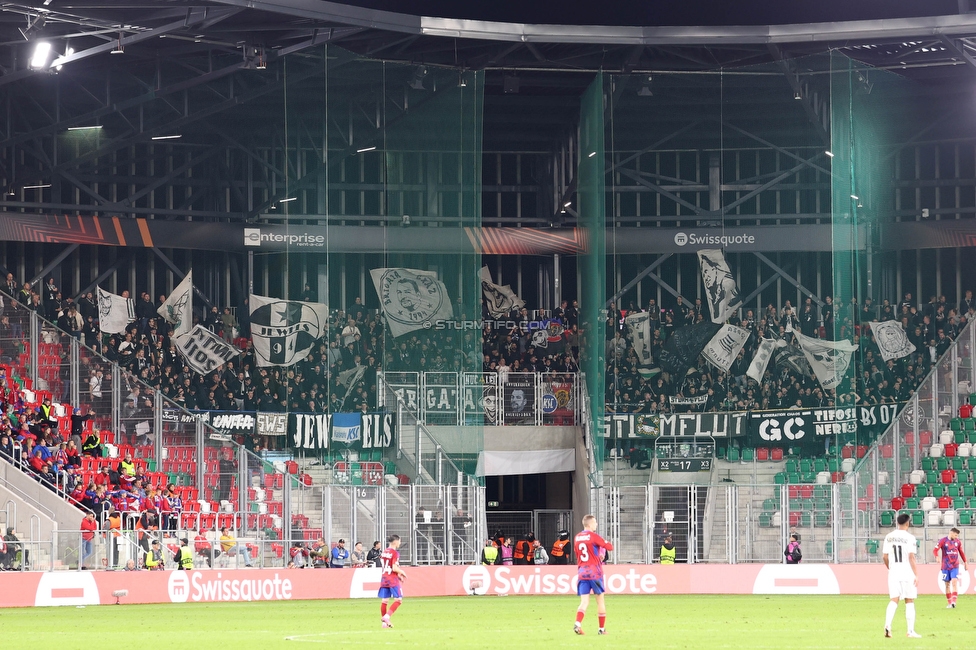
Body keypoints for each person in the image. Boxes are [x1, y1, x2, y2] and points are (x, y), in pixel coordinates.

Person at [573, 514, 613, 636]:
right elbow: (610, 547)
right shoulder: (594, 536)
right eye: (595, 522)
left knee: (584, 602)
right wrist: (601, 549)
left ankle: (578, 624)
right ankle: (601, 629)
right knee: (600, 601)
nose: (596, 524)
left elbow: (578, 553)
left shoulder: (577, 537)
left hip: (582, 572)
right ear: (590, 524)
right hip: (595, 573)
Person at [883, 513, 921, 638]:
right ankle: (910, 631)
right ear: (907, 523)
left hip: (893, 572)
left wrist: (890, 567)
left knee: (894, 599)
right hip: (907, 572)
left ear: (897, 523)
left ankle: (887, 625)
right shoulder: (910, 537)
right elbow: (911, 557)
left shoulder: (889, 536)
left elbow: (885, 556)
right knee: (909, 600)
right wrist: (916, 574)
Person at [933, 527, 967, 608]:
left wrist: (965, 562)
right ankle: (949, 603)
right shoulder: (943, 540)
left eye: (957, 536)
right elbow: (935, 550)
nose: (956, 537)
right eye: (955, 535)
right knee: (947, 584)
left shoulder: (958, 542)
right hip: (945, 566)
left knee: (954, 582)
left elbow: (961, 552)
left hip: (955, 565)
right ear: (951, 533)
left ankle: (953, 603)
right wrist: (937, 556)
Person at [379, 534, 408, 629]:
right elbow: (394, 567)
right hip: (392, 579)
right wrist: (402, 572)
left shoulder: (384, 551)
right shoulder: (395, 553)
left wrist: (397, 574)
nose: (400, 543)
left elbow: (388, 566)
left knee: (385, 600)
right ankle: (386, 617)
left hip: (384, 578)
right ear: (395, 542)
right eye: (399, 541)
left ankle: (384, 624)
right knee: (399, 600)